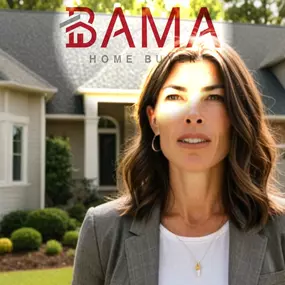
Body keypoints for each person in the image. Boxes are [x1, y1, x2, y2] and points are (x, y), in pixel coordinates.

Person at [71, 40, 285, 285]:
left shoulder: (280, 228)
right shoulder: (103, 231)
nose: (193, 115)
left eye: (213, 97)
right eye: (175, 96)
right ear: (154, 120)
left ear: (236, 117)